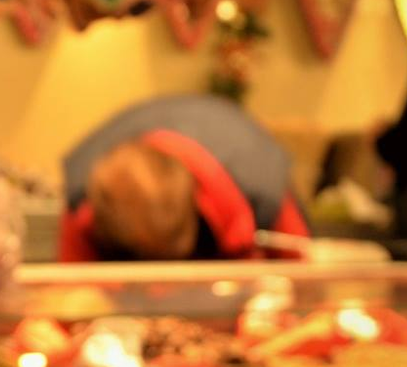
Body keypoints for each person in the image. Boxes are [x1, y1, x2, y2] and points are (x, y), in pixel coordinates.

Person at [58, 94, 310, 262]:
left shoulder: (261, 185)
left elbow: (305, 285)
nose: (159, 292)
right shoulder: (83, 200)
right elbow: (71, 295)